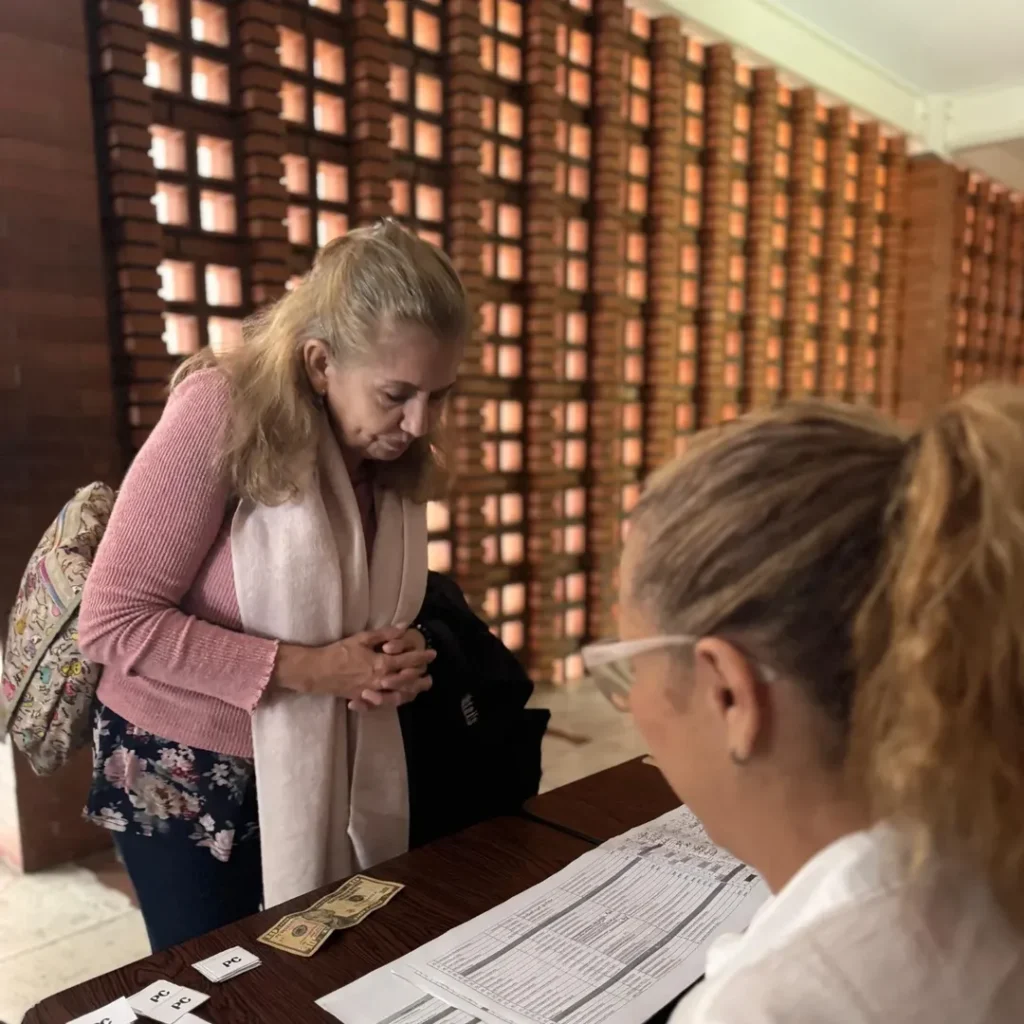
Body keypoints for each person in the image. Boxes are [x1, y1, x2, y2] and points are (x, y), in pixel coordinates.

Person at [78, 220, 467, 951]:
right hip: (189, 770)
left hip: (332, 758)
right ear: (320, 362)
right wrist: (314, 669)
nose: (420, 423)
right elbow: (114, 620)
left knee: (327, 962)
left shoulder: (385, 455)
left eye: (440, 395)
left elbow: (351, 611)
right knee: (221, 982)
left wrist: (392, 658)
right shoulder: (221, 410)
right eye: (397, 393)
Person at [586, 388, 1024, 1022]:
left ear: (729, 693)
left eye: (634, 661)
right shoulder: (986, 838)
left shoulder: (769, 1006)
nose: (632, 700)